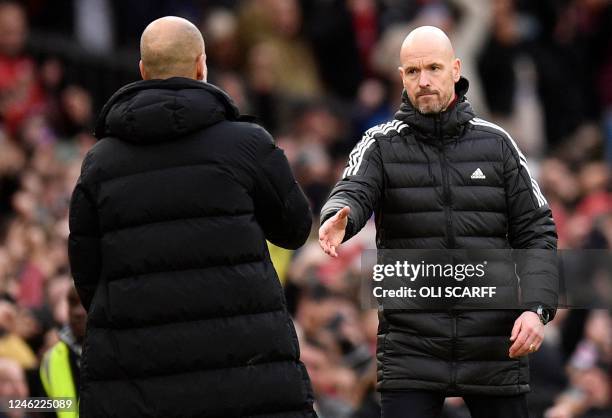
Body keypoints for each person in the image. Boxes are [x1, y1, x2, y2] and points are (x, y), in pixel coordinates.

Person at [68, 16, 316, 418]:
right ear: (202, 66)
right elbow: (295, 227)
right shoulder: (247, 144)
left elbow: (87, 276)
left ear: (143, 72)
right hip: (247, 376)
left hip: (136, 381)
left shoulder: (98, 164)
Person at [319, 26, 558, 418]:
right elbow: (354, 188)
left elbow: (538, 229)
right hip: (412, 347)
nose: (424, 80)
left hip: (494, 343)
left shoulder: (497, 144)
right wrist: (338, 215)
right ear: (400, 77)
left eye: (433, 67)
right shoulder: (380, 144)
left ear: (456, 69)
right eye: (413, 72)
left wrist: (536, 308)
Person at [40, 286, 86, 418]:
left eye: (84, 302)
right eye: (72, 303)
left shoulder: (116, 351)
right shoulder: (50, 360)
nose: (78, 312)